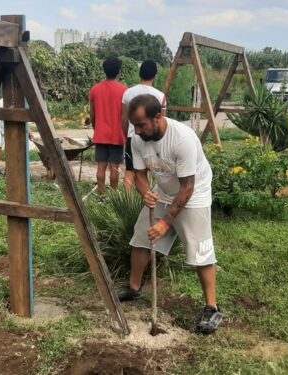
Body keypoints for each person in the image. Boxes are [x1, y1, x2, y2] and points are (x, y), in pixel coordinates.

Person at [117, 94, 221, 335]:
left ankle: (212, 307)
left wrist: (166, 222)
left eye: (142, 125)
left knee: (201, 250)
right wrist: (145, 193)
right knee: (142, 238)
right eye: (134, 125)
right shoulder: (138, 139)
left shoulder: (181, 138)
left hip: (194, 194)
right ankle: (134, 288)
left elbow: (187, 188)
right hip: (163, 191)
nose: (138, 131)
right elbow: (140, 175)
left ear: (158, 117)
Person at [121, 60, 167, 190]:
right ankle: (147, 197)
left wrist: (127, 135)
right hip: (152, 137)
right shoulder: (160, 96)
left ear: (140, 74)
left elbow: (124, 118)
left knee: (130, 170)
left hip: (132, 136)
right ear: (155, 75)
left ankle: (128, 201)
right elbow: (162, 120)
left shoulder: (128, 93)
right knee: (150, 169)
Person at [89, 57, 127, 194]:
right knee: (114, 167)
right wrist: (125, 132)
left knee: (101, 166)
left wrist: (96, 128)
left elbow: (92, 114)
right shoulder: (124, 91)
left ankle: (101, 194)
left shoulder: (95, 90)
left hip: (101, 134)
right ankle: (114, 194)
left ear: (104, 70)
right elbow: (125, 116)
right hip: (117, 135)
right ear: (119, 71)